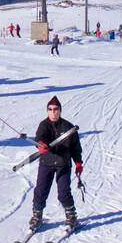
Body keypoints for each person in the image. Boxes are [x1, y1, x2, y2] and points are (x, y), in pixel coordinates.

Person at [29, 96, 82, 233]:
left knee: (64, 192)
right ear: (47, 111)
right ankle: (37, 216)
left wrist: (78, 163)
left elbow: (76, 147)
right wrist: (41, 145)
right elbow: (40, 137)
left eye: (56, 109)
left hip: (63, 164)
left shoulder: (68, 127)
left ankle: (71, 217)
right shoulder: (44, 125)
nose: (53, 112)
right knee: (41, 190)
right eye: (50, 109)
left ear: (60, 110)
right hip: (46, 162)